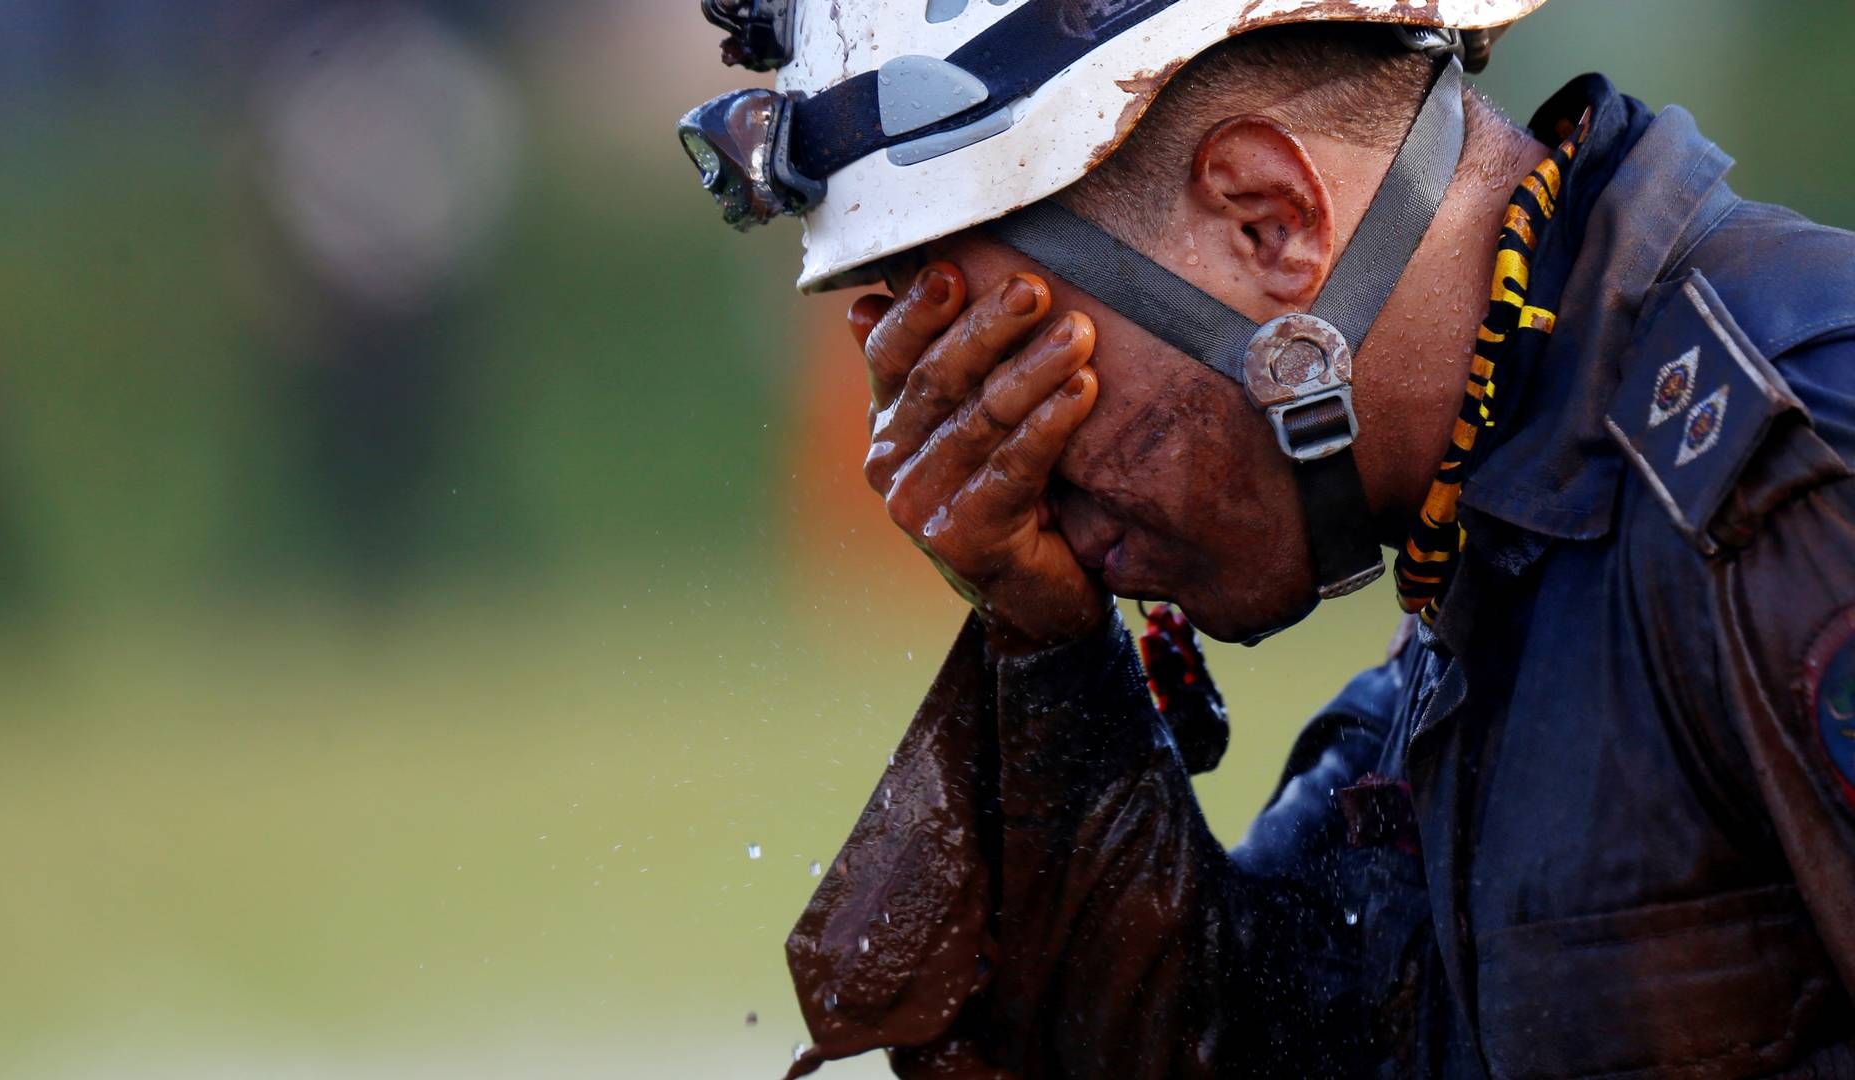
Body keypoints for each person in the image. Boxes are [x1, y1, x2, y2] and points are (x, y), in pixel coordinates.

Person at [679, 2, 1855, 1076]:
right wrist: (1048, 654)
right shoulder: (1499, 547)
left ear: (1267, 217)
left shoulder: (1795, 471)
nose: (1027, 503)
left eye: (1020, 380)